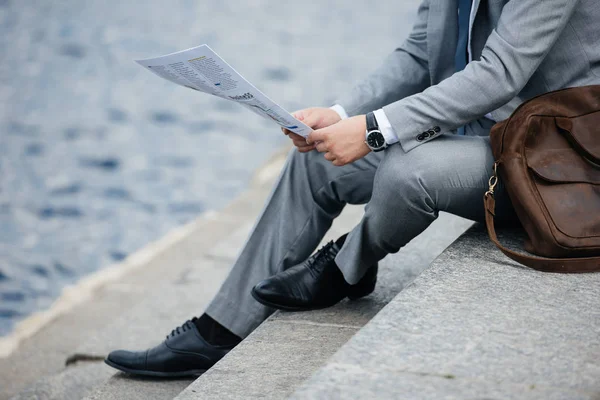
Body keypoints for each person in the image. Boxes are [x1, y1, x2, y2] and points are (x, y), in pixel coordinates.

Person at [104, 0, 600, 377]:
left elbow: (499, 74)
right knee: (316, 163)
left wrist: (371, 129)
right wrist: (340, 117)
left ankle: (345, 268)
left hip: (549, 159)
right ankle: (220, 329)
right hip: (478, 133)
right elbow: (417, 50)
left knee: (408, 167)